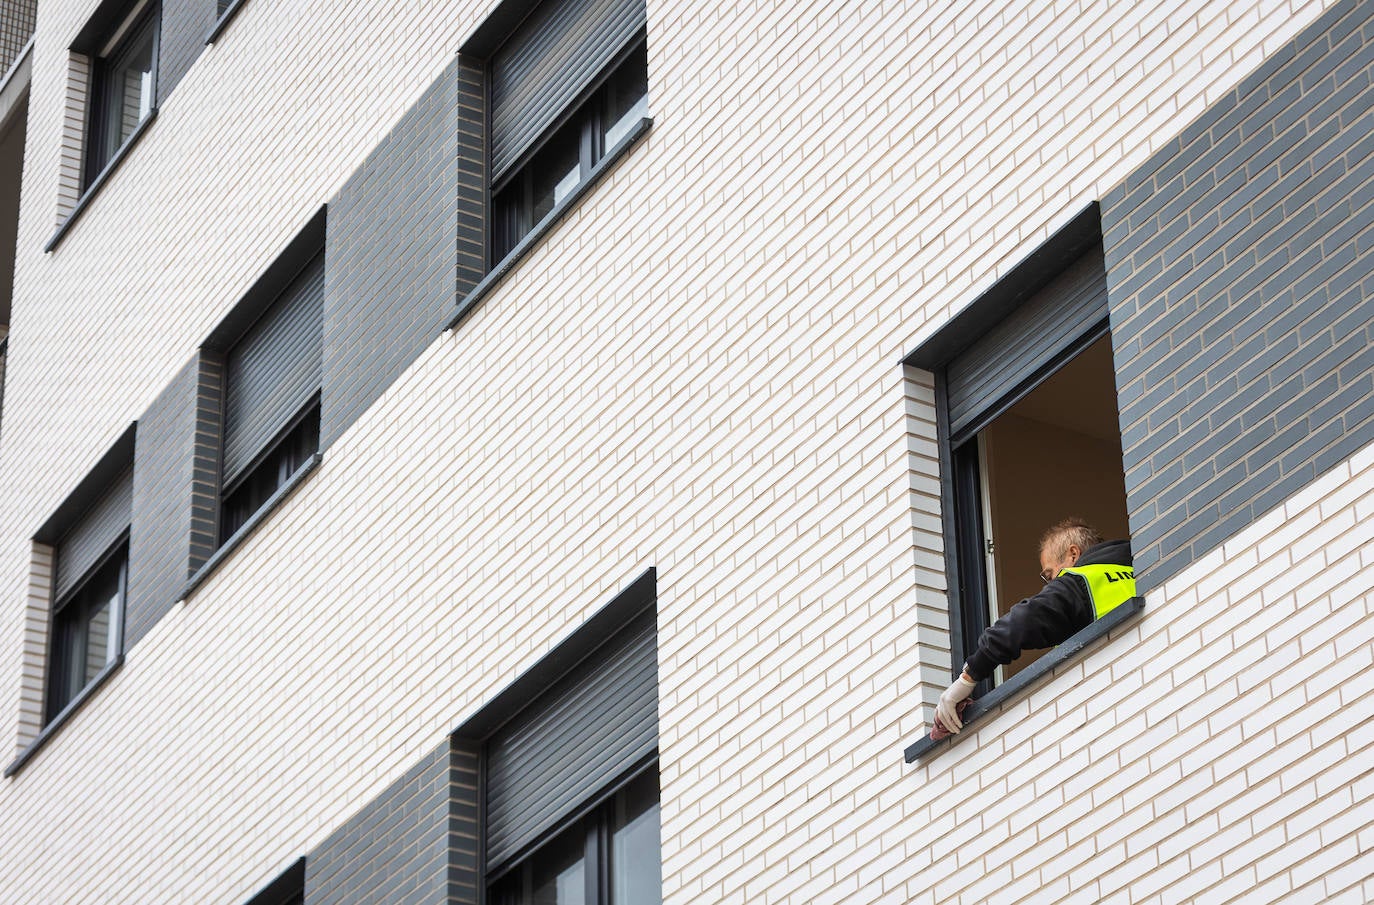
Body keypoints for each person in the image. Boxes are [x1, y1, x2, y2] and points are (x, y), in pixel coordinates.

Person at [935, 518, 1135, 734]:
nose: (1050, 585)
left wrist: (969, 676)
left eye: (1050, 575)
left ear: (1073, 555)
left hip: (1115, 698)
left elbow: (1022, 622)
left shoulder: (1079, 582)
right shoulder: (1138, 564)